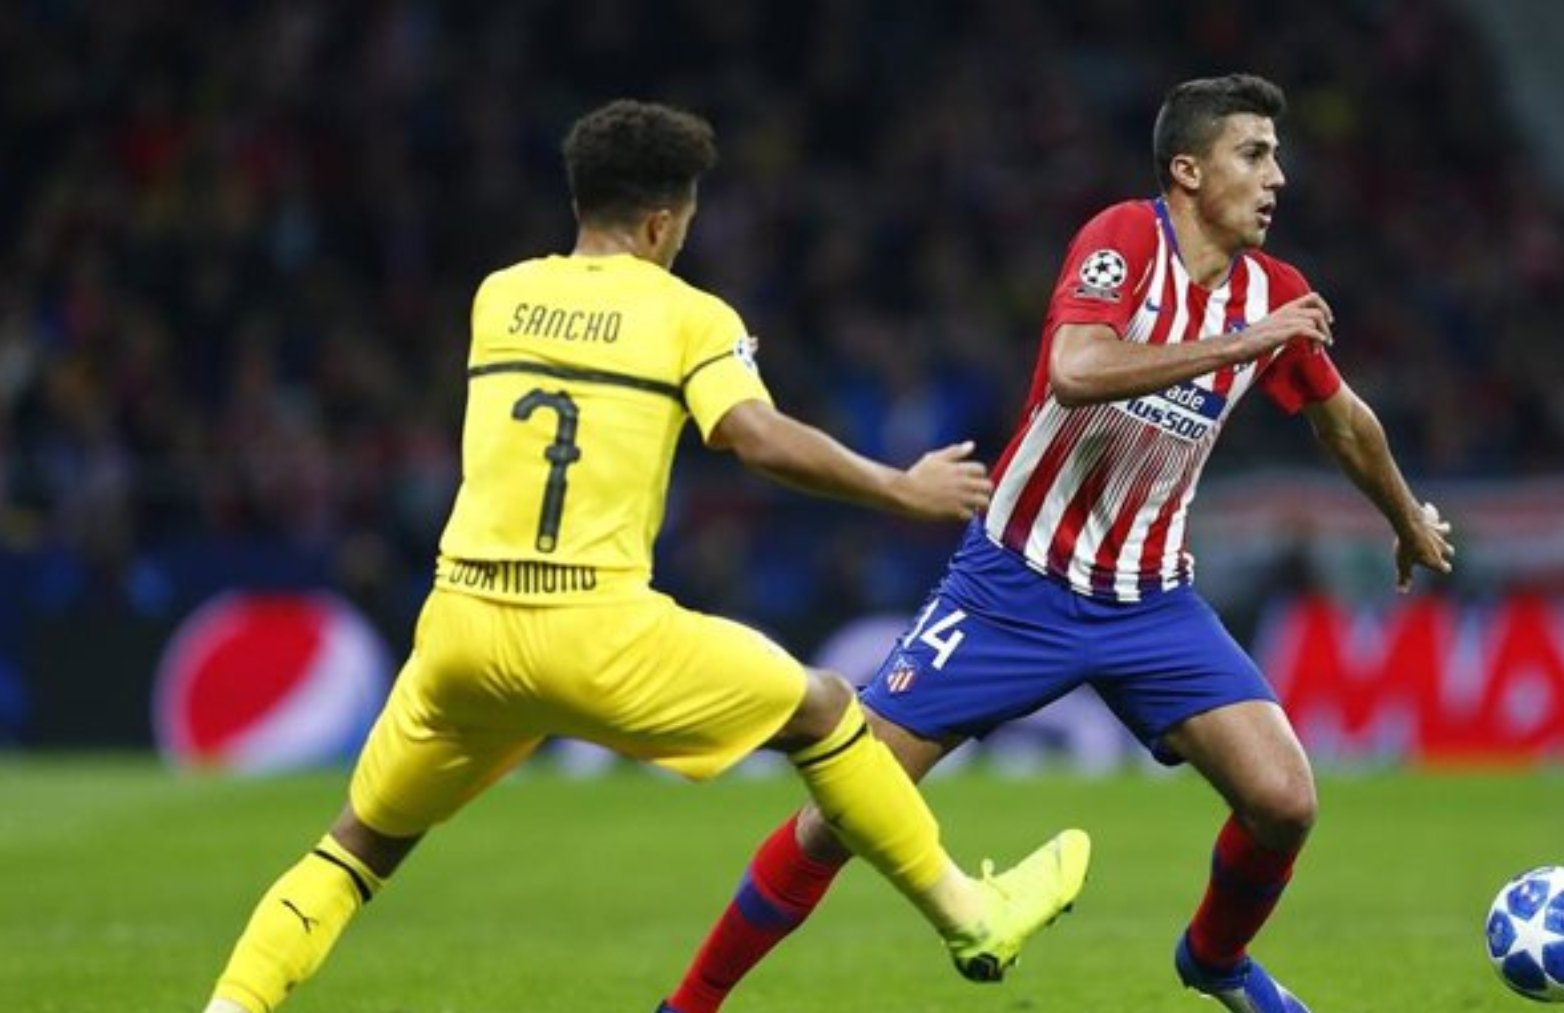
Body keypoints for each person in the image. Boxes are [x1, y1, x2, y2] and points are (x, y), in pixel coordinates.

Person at [199, 99, 1090, 1013]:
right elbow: (754, 437)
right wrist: (898, 487)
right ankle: (967, 913)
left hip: (461, 631)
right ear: (664, 221)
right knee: (824, 709)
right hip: (593, 629)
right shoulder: (688, 315)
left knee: (353, 851)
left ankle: (230, 1006)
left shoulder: (498, 295)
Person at [656, 74, 1455, 1013]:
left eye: (1276, 155)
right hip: (1012, 587)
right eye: (1254, 154)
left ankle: (1214, 961)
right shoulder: (1123, 241)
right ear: (1187, 170)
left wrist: (1405, 515)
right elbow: (1079, 370)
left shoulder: (1272, 294)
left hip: (1151, 599)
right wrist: (1245, 344)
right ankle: (687, 1007)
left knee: (1285, 799)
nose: (1277, 175)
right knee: (842, 809)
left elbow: (1345, 421)